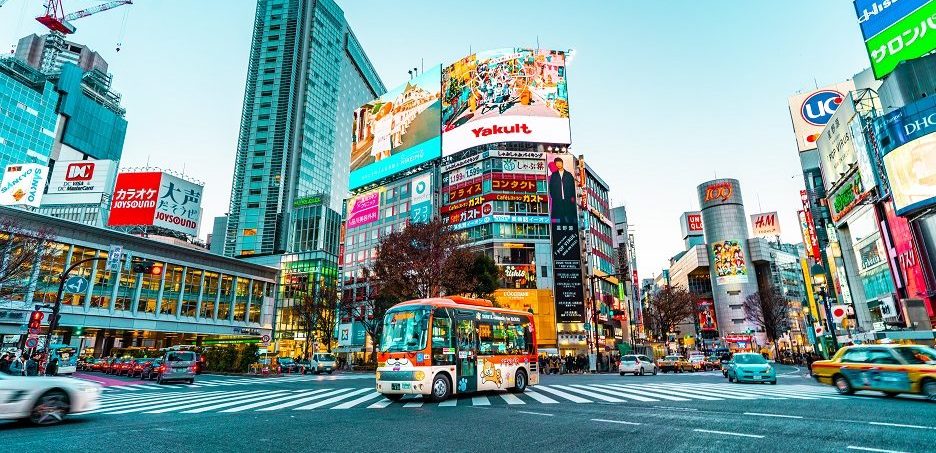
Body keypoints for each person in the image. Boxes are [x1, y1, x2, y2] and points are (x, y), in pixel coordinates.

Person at [547, 157, 578, 225]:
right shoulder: (554, 175)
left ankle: (570, 227)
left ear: (562, 163)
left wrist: (573, 196)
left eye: (559, 163)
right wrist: (554, 196)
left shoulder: (569, 175)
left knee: (570, 215)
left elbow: (573, 186)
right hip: (558, 199)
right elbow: (551, 187)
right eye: (557, 163)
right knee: (559, 216)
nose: (558, 165)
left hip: (568, 198)